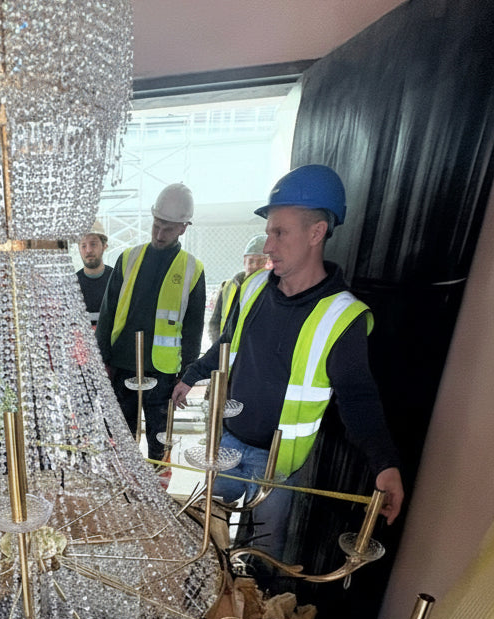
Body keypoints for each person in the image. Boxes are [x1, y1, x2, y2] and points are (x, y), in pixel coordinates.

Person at [171, 164, 404, 565]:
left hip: (278, 464)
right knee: (203, 536)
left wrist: (385, 463)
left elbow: (358, 399)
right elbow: (227, 345)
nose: (269, 244)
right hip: (226, 443)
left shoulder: (341, 316)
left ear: (316, 233)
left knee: (263, 558)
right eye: (268, 232)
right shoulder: (254, 287)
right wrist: (191, 377)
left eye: (280, 232)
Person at [96, 183, 206, 459]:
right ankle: (125, 494)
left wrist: (187, 375)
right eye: (157, 224)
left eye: (168, 228)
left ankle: (159, 492)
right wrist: (103, 361)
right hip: (122, 366)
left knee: (161, 440)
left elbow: (193, 327)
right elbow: (108, 313)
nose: (159, 233)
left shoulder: (192, 269)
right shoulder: (128, 259)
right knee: (122, 438)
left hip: (163, 371)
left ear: (183, 227)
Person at [208, 233, 269, 342]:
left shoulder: (275, 289)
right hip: (227, 352)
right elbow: (215, 323)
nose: (255, 266)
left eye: (261, 261)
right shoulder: (227, 287)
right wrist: (218, 349)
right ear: (244, 261)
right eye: (251, 261)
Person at [75, 221, 113, 328]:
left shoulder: (117, 280)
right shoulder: (71, 285)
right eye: (83, 246)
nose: (88, 250)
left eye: (93, 244)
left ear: (104, 246)